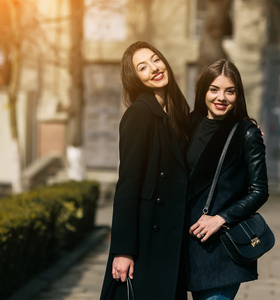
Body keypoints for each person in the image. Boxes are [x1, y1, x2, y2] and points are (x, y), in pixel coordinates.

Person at [99, 41, 191, 300]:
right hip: (146, 241)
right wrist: (123, 250)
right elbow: (128, 185)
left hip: (171, 241)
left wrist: (244, 133)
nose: (154, 68)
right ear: (135, 78)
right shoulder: (139, 114)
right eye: (143, 67)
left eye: (155, 60)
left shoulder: (176, 111)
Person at [185, 59, 269, 300]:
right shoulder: (187, 125)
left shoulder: (246, 133)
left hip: (220, 247)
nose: (221, 97)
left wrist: (221, 218)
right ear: (203, 91)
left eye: (229, 91)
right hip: (183, 245)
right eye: (214, 89)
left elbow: (259, 190)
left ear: (237, 95)